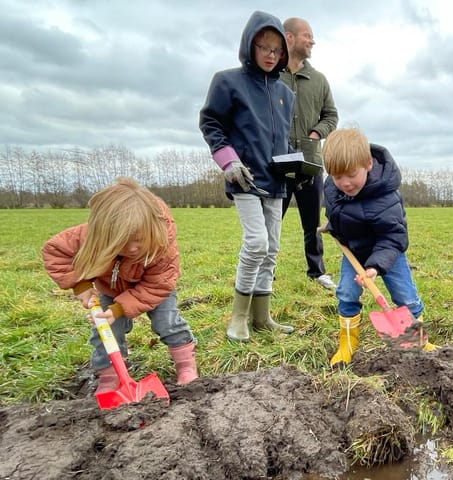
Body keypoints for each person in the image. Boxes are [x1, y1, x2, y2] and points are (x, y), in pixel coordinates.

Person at [41, 177, 198, 392]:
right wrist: (81, 286)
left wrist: (120, 309)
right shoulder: (87, 236)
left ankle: (186, 365)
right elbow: (55, 252)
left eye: (139, 239)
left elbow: (158, 285)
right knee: (105, 330)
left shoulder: (162, 245)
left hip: (153, 290)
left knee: (167, 323)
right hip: (109, 290)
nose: (133, 248)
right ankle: (110, 376)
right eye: (122, 241)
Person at [199, 10, 295, 342]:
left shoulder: (287, 94)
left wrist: (297, 168)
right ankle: (237, 317)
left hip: (278, 182)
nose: (270, 55)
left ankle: (262, 317)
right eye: (263, 47)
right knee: (256, 243)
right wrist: (229, 163)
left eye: (276, 49)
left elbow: (283, 139)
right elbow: (211, 124)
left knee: (272, 249)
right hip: (246, 179)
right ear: (249, 45)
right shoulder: (227, 82)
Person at [322, 128, 436, 367]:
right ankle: (347, 345)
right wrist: (333, 225)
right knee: (346, 293)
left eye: (351, 175)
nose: (344, 183)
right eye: (336, 176)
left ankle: (419, 343)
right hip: (353, 253)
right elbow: (340, 213)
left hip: (387, 254)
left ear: (368, 164)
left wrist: (375, 267)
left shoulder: (386, 198)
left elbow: (393, 237)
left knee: (405, 297)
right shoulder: (333, 189)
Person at [279, 17, 339, 291]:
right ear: (288, 37)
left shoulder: (319, 80)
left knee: (312, 223)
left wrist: (315, 134)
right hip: (275, 165)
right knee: (269, 223)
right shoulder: (270, 75)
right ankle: (263, 272)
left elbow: (331, 115)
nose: (312, 40)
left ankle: (317, 271)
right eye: (307, 35)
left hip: (310, 164)